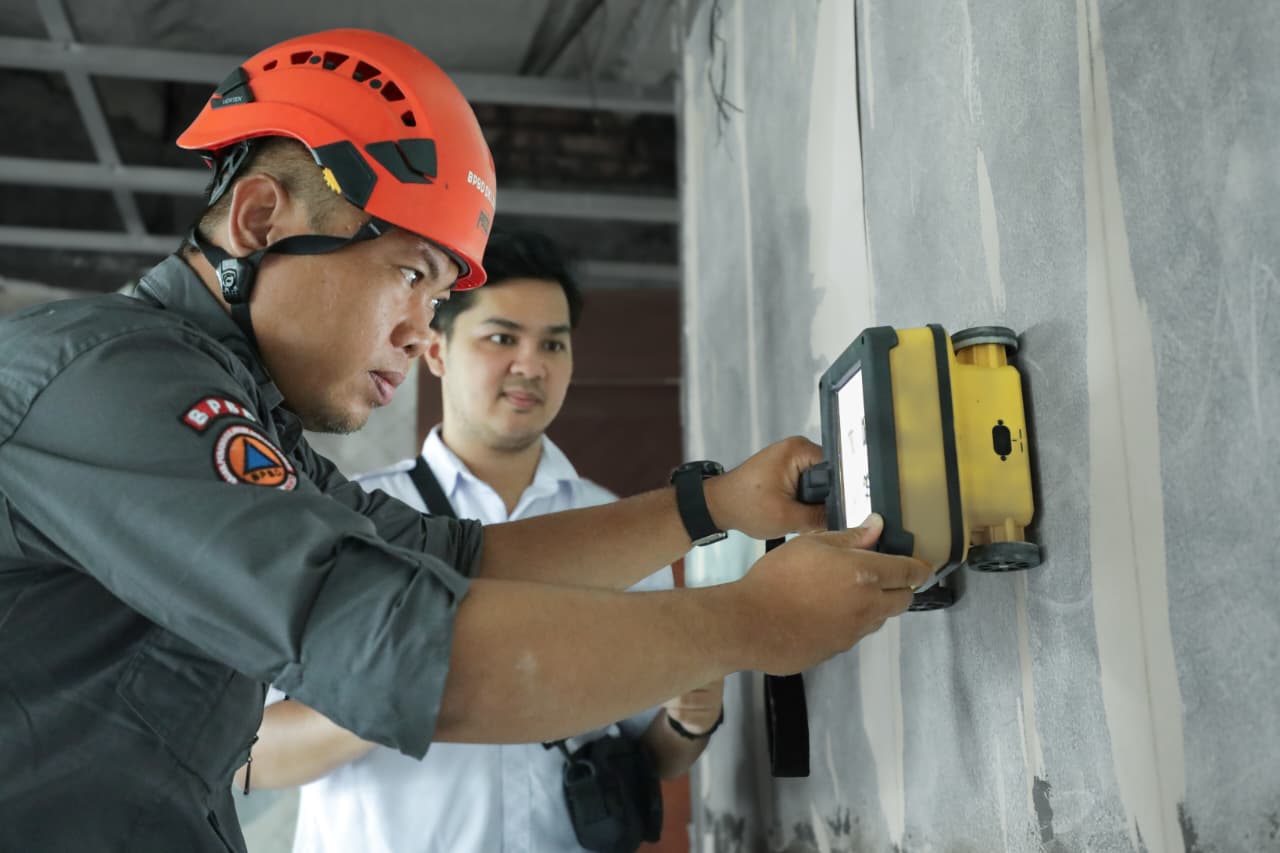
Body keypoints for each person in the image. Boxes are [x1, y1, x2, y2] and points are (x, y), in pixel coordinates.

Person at [0, 29, 930, 853]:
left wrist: (714, 506)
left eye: (436, 296)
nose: (417, 330)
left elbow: (455, 560)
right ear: (258, 219)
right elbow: (400, 645)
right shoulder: (109, 382)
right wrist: (753, 623)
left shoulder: (243, 413)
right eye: (408, 272)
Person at [245, 228, 725, 851]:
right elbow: (253, 755)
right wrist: (404, 686)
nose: (531, 364)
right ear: (437, 351)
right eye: (502, 338)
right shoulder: (346, 518)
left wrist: (691, 723)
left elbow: (646, 753)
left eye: (554, 343)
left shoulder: (620, 532)